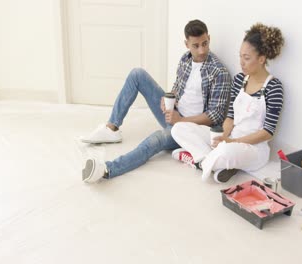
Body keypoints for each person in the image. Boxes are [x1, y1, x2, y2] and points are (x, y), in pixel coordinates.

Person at [81, 19, 231, 183]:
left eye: (205, 43)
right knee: (137, 74)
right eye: (196, 45)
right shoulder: (186, 59)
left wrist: (180, 120)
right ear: (186, 44)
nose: (202, 50)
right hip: (174, 115)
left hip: (190, 128)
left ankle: (107, 169)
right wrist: (169, 98)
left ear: (209, 38)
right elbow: (178, 86)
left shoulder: (219, 72)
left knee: (154, 140)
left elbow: (215, 116)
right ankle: (112, 128)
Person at [171, 23, 284, 183]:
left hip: (254, 149)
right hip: (231, 138)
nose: (241, 62)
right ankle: (210, 162)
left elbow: (267, 132)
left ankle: (199, 160)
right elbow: (230, 117)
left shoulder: (274, 87)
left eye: (246, 58)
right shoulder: (239, 80)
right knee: (179, 128)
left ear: (261, 59)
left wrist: (231, 142)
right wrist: (222, 136)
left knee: (225, 151)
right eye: (240, 56)